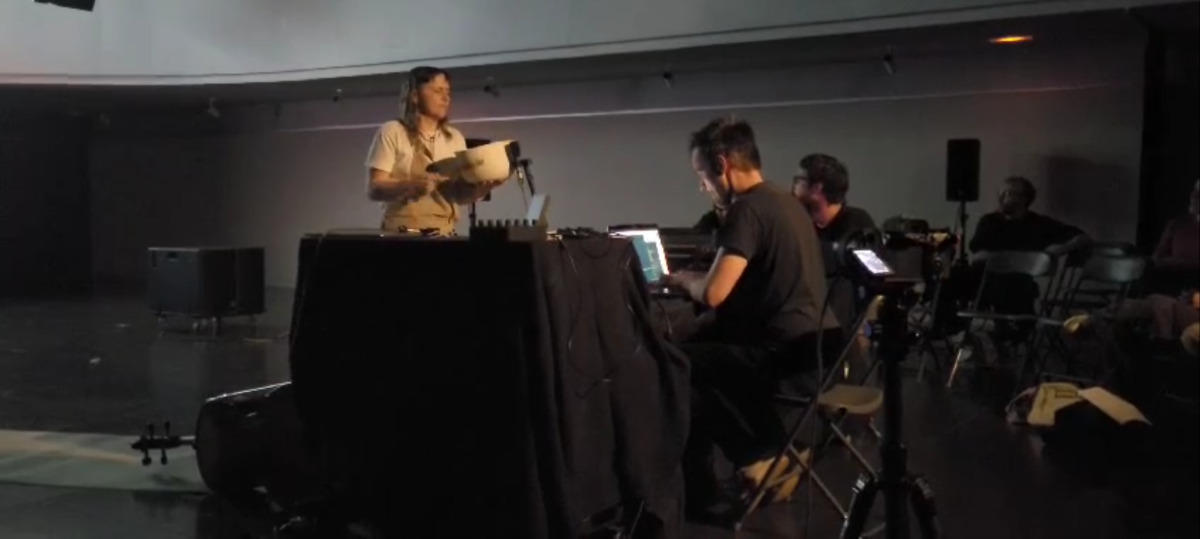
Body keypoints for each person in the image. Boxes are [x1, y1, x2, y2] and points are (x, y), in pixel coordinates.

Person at [664, 117, 841, 518]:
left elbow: (713, 293)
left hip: (781, 358)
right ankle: (763, 455)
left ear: (723, 164)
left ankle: (744, 467)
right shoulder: (786, 203)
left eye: (702, 175)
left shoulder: (746, 210)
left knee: (673, 361)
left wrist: (683, 281)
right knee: (702, 358)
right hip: (816, 351)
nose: (702, 186)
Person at [364, 66, 499, 235]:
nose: (445, 98)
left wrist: (484, 187)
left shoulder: (454, 137)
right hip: (402, 235)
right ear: (414, 96)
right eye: (438, 90)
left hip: (445, 233)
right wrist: (412, 185)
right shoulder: (393, 131)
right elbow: (374, 189)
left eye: (448, 92)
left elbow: (459, 196)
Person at [968, 176, 1090, 314]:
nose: (1002, 198)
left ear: (1024, 198)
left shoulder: (1039, 224)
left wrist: (1052, 253)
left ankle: (1014, 328)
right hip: (985, 278)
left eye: (1008, 193)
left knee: (1017, 289)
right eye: (1001, 193)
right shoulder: (989, 222)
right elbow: (978, 253)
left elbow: (1081, 237)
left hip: (1017, 282)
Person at [793, 153, 876, 246]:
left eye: (798, 180)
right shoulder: (802, 225)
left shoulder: (857, 226)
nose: (793, 187)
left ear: (816, 188)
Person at [1150, 180, 1200, 294]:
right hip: (1174, 290)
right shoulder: (1176, 225)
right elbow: (1157, 259)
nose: (1193, 197)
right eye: (1194, 192)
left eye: (1199, 194)